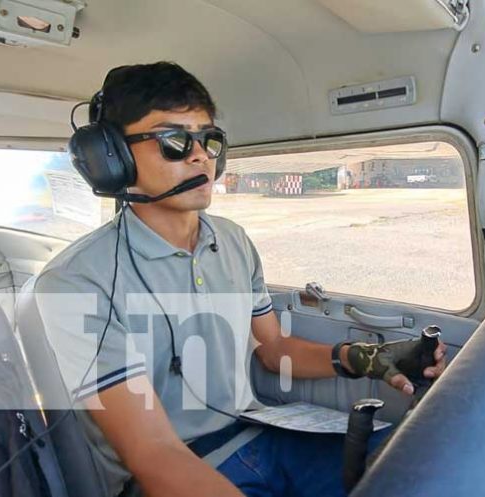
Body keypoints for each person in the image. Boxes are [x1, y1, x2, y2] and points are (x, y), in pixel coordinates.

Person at [34, 61, 446, 497]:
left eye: (209, 141)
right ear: (111, 158)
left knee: (421, 465)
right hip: (172, 469)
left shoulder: (232, 240)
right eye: (173, 141)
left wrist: (365, 359)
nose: (199, 156)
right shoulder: (77, 280)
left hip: (255, 432)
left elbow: (275, 350)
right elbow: (154, 454)